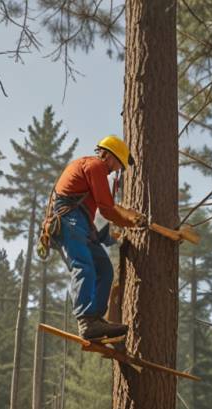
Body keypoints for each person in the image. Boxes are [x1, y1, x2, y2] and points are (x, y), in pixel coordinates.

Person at [43, 135, 145, 341]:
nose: (117, 170)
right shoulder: (95, 166)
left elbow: (100, 210)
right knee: (84, 266)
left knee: (104, 269)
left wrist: (109, 234)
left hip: (81, 224)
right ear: (108, 155)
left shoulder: (91, 169)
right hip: (69, 221)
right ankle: (86, 321)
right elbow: (107, 208)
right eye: (118, 164)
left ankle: (96, 319)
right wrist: (130, 221)